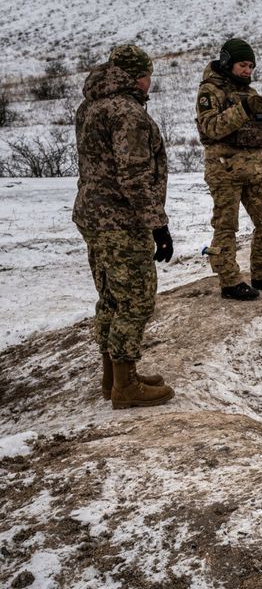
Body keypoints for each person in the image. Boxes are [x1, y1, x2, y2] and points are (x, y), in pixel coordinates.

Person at [72, 44, 174, 409]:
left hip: (93, 217)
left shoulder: (92, 106)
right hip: (120, 220)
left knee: (111, 297)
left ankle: (112, 378)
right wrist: (157, 225)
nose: (150, 82)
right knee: (135, 299)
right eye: (147, 74)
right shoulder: (126, 112)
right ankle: (126, 386)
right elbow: (133, 175)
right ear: (135, 76)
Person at [196, 38, 262, 301]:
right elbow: (211, 127)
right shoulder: (210, 91)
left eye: (251, 66)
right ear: (227, 62)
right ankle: (229, 281)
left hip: (254, 170)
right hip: (225, 170)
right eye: (242, 65)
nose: (248, 70)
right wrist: (243, 109)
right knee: (226, 226)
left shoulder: (250, 92)